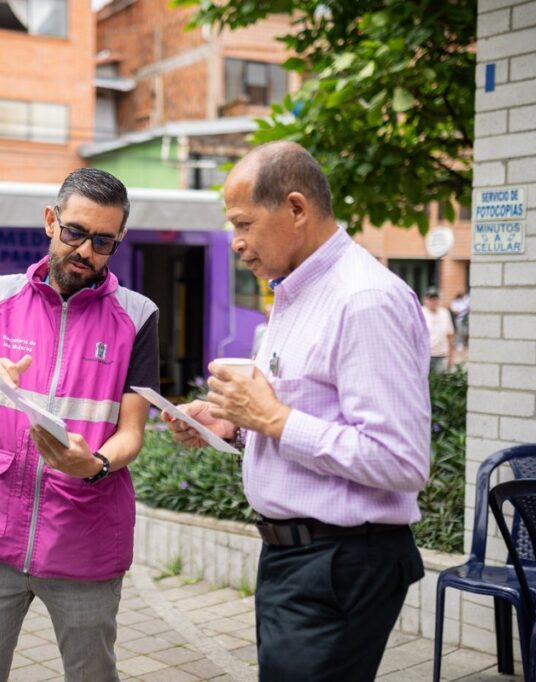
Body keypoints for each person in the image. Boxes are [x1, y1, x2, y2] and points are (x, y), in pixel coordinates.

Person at [165, 142, 430, 682]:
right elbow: (297, 413)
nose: (235, 243)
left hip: (339, 564)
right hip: (299, 561)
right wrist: (234, 428)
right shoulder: (295, 293)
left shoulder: (364, 301)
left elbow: (401, 461)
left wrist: (273, 421)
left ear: (296, 209)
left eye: (243, 223)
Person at [0, 168, 159, 681]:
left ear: (117, 241)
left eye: (103, 242)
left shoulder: (137, 316)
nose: (86, 252)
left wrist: (93, 464)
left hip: (85, 535)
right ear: (51, 221)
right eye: (75, 232)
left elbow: (132, 432)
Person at [423, 287, 456, 373]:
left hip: (441, 355)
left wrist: (451, 357)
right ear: (425, 300)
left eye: (435, 299)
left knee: (440, 382)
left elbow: (450, 335)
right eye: (430, 299)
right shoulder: (420, 313)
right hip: (424, 356)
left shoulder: (444, 313)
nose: (433, 302)